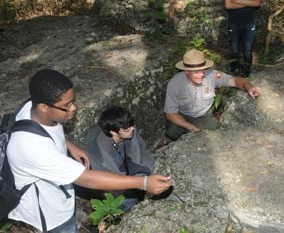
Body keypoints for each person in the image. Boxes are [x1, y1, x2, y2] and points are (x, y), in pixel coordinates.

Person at [6, 69, 172, 233]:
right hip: (50, 216)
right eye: (66, 106)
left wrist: (70, 145)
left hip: (57, 195)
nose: (74, 108)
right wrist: (143, 183)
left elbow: (47, 129)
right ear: (43, 107)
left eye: (73, 101)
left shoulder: (32, 108)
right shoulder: (31, 147)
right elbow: (87, 180)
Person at [164, 49, 261, 141]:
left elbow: (235, 80)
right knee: (172, 133)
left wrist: (249, 87)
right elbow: (170, 113)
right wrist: (191, 127)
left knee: (213, 135)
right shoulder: (175, 83)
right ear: (186, 72)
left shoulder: (212, 75)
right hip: (183, 115)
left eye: (203, 70)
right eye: (197, 72)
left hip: (204, 115)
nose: (202, 74)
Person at [86, 105, 156, 212]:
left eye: (131, 125)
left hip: (128, 165)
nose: (132, 129)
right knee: (128, 203)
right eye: (127, 128)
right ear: (113, 132)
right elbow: (107, 185)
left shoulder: (129, 133)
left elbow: (142, 150)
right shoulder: (100, 157)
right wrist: (136, 185)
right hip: (114, 184)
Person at [225, 0, 261, 78]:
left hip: (249, 22)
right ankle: (234, 72)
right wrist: (248, 2)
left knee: (247, 50)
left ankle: (246, 73)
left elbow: (257, 2)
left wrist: (237, 0)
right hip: (234, 22)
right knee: (234, 49)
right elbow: (228, 5)